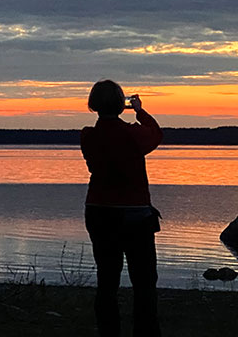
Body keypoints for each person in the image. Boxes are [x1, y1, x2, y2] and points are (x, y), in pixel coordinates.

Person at [81, 79, 163, 337]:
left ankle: (108, 332)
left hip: (98, 211)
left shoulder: (88, 135)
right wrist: (139, 110)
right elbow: (155, 134)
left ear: (93, 105)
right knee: (144, 282)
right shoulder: (132, 134)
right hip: (134, 214)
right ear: (121, 104)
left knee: (107, 280)